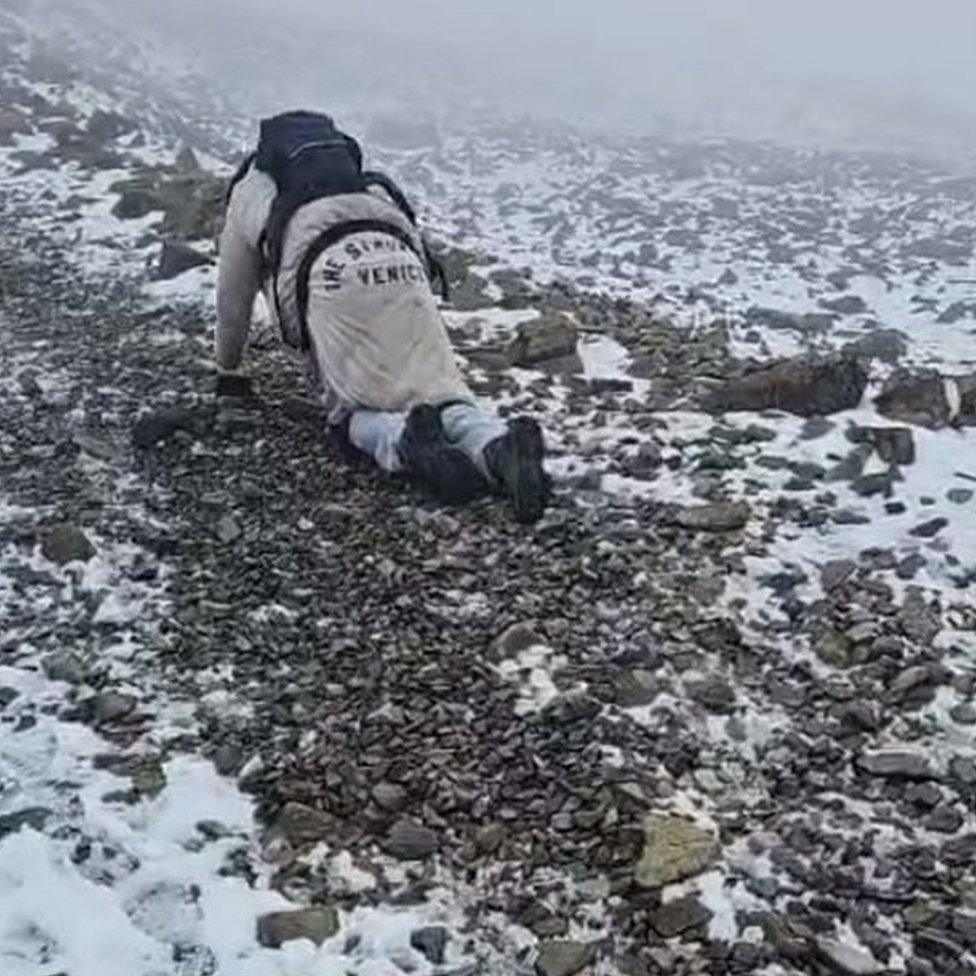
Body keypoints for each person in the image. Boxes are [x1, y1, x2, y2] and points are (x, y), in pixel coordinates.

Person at [215, 110, 549, 524]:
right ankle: (495, 445)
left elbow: (233, 297)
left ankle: (401, 441)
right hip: (402, 267)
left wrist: (227, 370)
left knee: (349, 414)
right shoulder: (366, 184)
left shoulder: (254, 188)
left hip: (331, 277)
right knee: (440, 393)